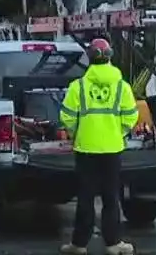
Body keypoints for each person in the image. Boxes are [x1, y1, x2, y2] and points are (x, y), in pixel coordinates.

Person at [59, 38, 140, 255]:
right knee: (111, 198)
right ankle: (113, 244)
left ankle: (79, 245)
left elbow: (66, 117)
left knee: (85, 198)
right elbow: (131, 116)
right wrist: (117, 132)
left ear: (89, 58)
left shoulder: (78, 86)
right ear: (110, 56)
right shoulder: (122, 86)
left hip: (86, 149)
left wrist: (77, 133)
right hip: (112, 148)